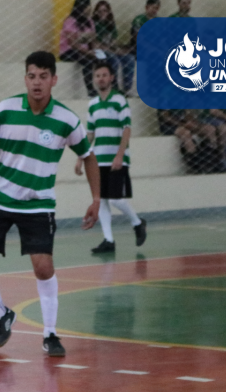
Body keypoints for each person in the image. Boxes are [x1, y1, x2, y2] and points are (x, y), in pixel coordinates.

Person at [0, 51, 100, 356]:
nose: (37, 82)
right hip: (0, 200)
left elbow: (88, 157)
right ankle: (1, 314)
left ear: (54, 79)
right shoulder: (5, 109)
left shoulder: (66, 119)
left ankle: (50, 334)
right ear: (25, 79)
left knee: (43, 266)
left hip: (38, 204)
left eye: (43, 76)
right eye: (31, 76)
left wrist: (96, 198)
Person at [75, 62, 146, 254]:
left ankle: (137, 223)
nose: (101, 79)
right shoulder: (92, 104)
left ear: (112, 78)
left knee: (115, 199)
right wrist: (81, 157)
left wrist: (119, 155)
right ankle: (108, 240)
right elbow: (90, 134)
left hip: (116, 159)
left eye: (104, 75)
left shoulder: (119, 100)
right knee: (102, 200)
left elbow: (127, 128)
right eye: (97, 75)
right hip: (99, 160)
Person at [91, 1, 135, 95]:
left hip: (110, 50)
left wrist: (121, 50)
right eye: (100, 11)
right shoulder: (94, 24)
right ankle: (114, 88)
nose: (102, 13)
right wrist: (113, 50)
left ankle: (127, 89)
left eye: (105, 11)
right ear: (96, 13)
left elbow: (113, 43)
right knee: (114, 59)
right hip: (98, 51)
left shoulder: (110, 24)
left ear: (108, 12)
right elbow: (96, 45)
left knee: (129, 58)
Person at [59, 0, 98, 97]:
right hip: (68, 51)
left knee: (105, 59)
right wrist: (89, 53)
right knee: (88, 61)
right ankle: (91, 90)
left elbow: (93, 40)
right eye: (87, 6)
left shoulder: (90, 21)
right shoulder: (70, 21)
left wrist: (95, 51)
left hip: (85, 51)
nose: (89, 8)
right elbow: (73, 44)